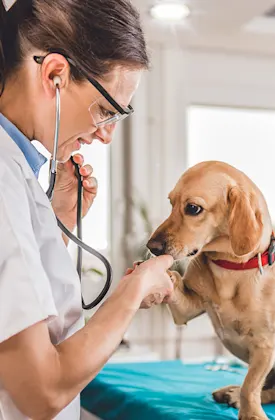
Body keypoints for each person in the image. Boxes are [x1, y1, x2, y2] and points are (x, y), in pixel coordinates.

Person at [0, 1, 174, 419]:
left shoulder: (17, 171)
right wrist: (133, 291)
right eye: (105, 110)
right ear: (55, 74)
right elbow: (40, 390)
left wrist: (58, 220)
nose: (107, 135)